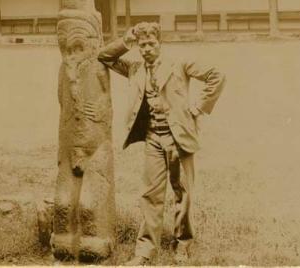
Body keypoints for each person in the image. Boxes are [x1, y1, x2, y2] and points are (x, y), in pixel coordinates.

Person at [97, 22, 226, 265]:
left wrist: (198, 107)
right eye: (142, 45)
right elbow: (103, 56)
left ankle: (184, 244)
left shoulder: (179, 63)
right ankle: (145, 251)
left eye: (151, 44)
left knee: (183, 193)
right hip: (152, 139)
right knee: (150, 194)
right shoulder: (134, 68)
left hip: (179, 138)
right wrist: (126, 40)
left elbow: (216, 76)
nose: (146, 49)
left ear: (160, 43)